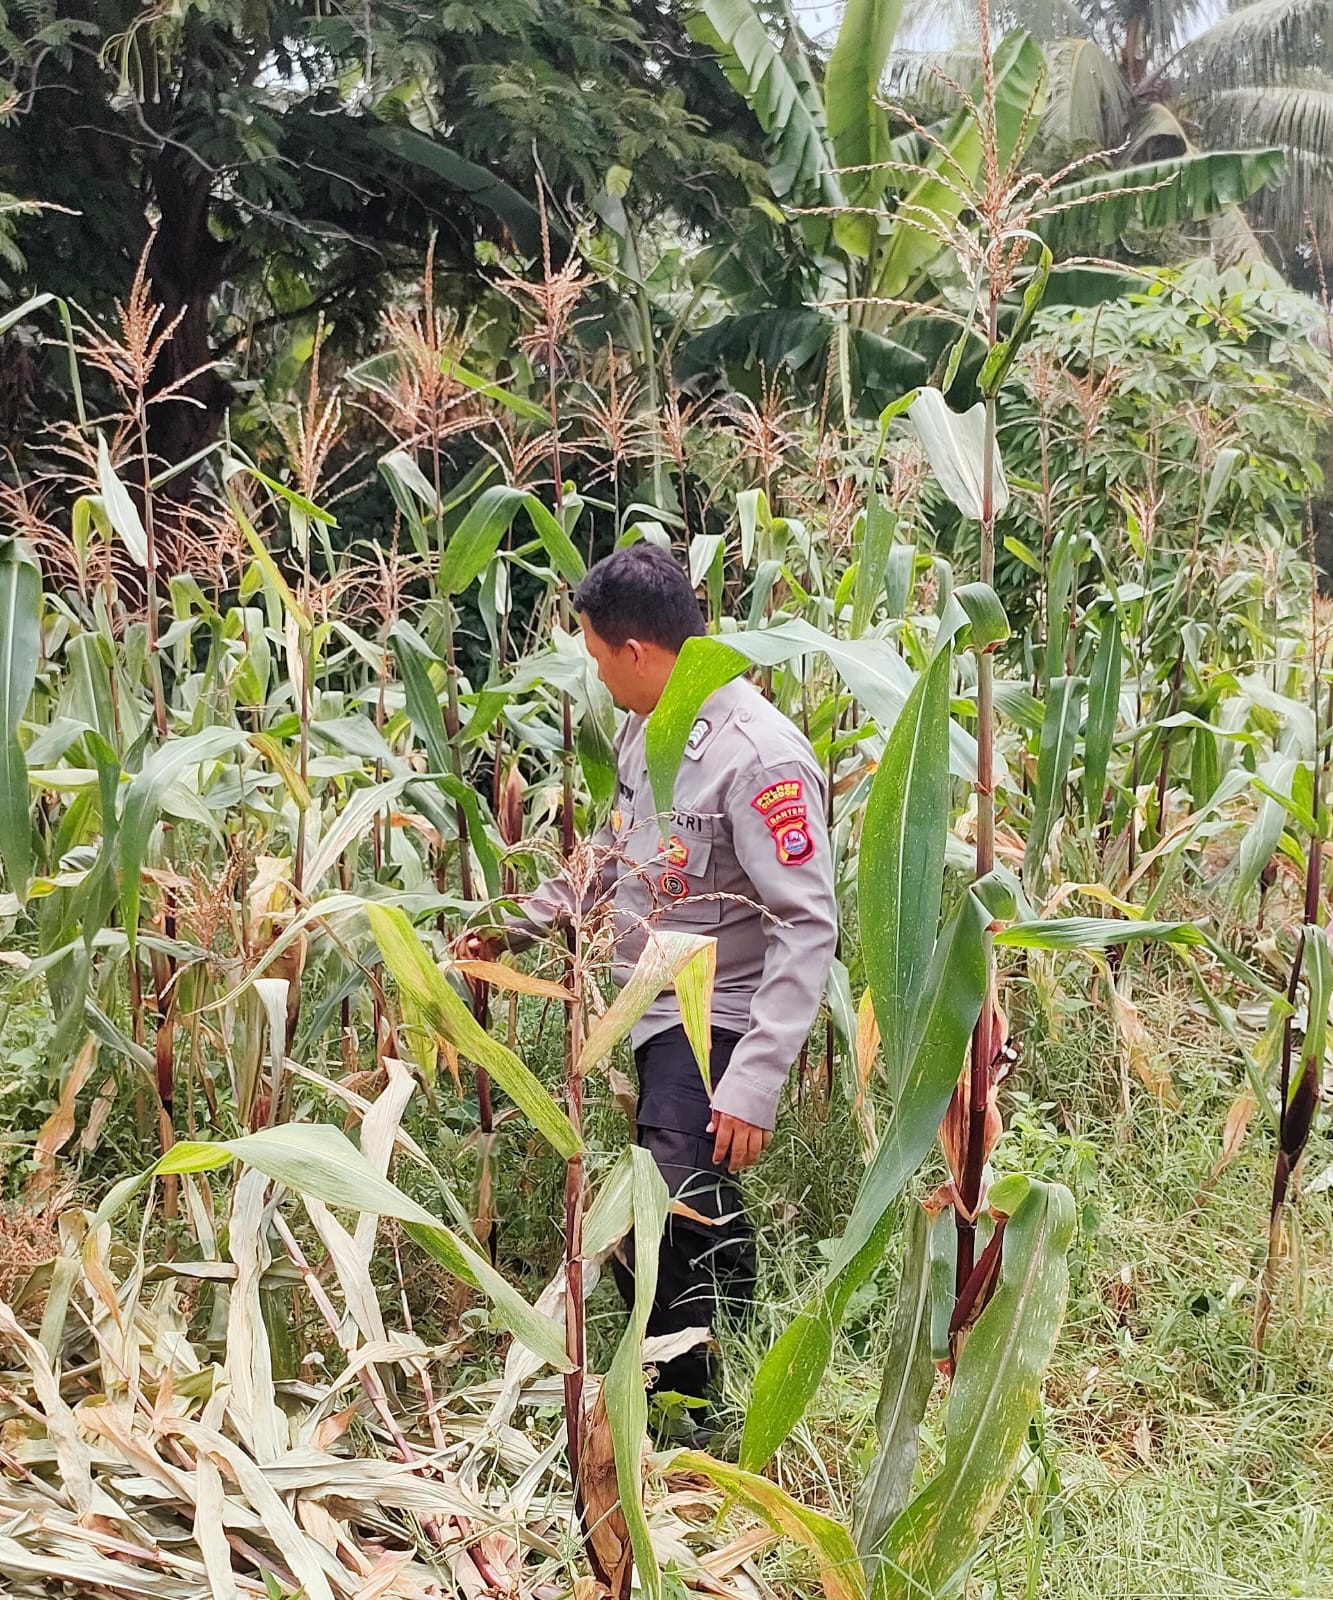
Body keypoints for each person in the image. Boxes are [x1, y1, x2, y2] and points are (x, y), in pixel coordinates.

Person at [461, 545, 839, 1413]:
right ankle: (727, 1353)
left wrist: (753, 1082)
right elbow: (614, 855)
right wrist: (514, 926)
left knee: (665, 1203)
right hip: (653, 1003)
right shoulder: (650, 726)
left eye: (597, 657)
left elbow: (805, 923)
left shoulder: (758, 757)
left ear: (635, 651)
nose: (596, 675)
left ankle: (681, 1407)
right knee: (688, 1194)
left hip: (717, 1015)